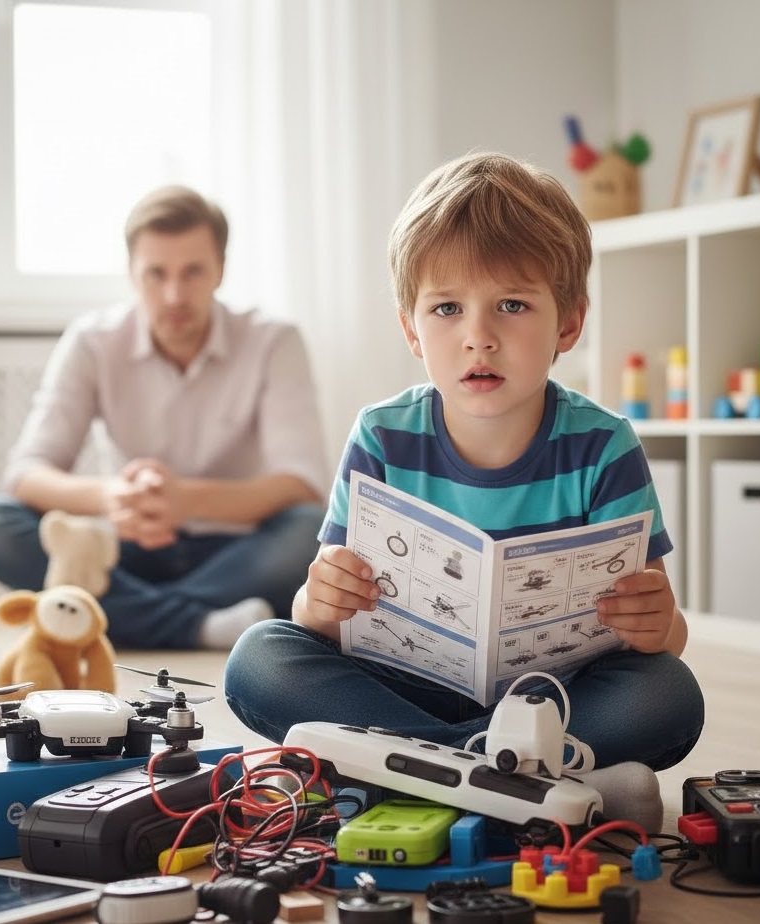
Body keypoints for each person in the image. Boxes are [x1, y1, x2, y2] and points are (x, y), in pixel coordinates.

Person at [224, 153, 704, 826]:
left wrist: (661, 624)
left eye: (512, 305)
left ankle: (403, 775)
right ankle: (527, 786)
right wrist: (319, 601)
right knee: (258, 658)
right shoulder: (381, 435)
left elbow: (663, 639)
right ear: (411, 329)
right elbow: (318, 615)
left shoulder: (605, 446)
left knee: (667, 695)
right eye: (446, 308)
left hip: (551, 705)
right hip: (403, 690)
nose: (478, 336)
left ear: (568, 323)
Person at [0, 185, 330, 650]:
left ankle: (106, 615)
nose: (175, 294)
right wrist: (111, 496)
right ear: (132, 274)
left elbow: (302, 483)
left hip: (232, 549)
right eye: (156, 274)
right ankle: (198, 625)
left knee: (308, 532)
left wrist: (187, 500)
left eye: (193, 272)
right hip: (120, 548)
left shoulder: (274, 341)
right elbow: (26, 473)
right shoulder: (91, 341)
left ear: (220, 268)